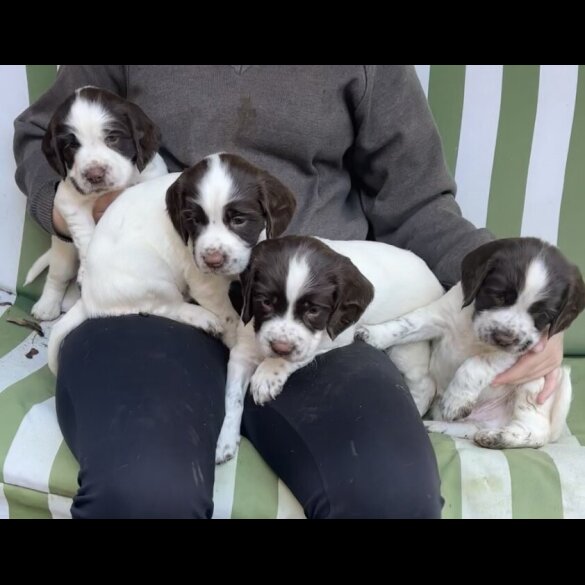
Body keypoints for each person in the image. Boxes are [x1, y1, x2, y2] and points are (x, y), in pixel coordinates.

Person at [13, 65, 563, 519]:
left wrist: (522, 311)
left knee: (390, 496)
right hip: (154, 302)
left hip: (310, 313)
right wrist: (73, 214)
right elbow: (45, 134)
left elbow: (419, 205)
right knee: (142, 493)